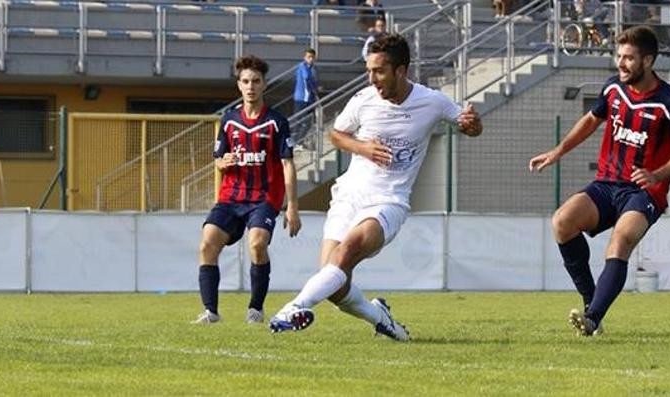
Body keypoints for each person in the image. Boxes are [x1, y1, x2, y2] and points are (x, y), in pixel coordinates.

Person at [268, 33, 483, 341]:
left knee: (346, 252)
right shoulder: (363, 99)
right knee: (334, 282)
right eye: (369, 70)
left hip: (389, 201)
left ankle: (295, 307)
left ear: (400, 71)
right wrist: (363, 148)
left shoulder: (432, 101)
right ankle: (380, 317)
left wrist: (473, 125)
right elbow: (337, 134)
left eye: (379, 71)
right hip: (348, 196)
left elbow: (468, 124)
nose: (372, 78)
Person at [528, 26, 670, 337]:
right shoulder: (612, 89)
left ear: (647, 61)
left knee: (619, 242)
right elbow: (591, 120)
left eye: (629, 58)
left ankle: (592, 318)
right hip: (607, 184)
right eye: (619, 56)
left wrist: (656, 175)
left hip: (645, 191)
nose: (621, 63)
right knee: (562, 223)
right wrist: (557, 152)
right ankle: (592, 303)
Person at [193, 55, 302, 325]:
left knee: (257, 244)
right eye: (245, 81)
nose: (250, 86)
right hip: (231, 197)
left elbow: (288, 164)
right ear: (238, 85)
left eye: (256, 81)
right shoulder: (228, 122)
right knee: (207, 244)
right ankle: (211, 312)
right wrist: (222, 162)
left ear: (264, 85)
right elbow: (218, 158)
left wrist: (292, 206)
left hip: (263, 198)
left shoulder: (276, 122)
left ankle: (255, 309)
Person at [293, 48, 319, 140]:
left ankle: (299, 140)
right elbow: (306, 79)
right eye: (309, 57)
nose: (311, 59)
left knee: (307, 121)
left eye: (312, 57)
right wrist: (314, 90)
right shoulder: (303, 66)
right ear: (304, 57)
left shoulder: (312, 68)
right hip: (303, 98)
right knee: (300, 121)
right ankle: (296, 141)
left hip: (308, 98)